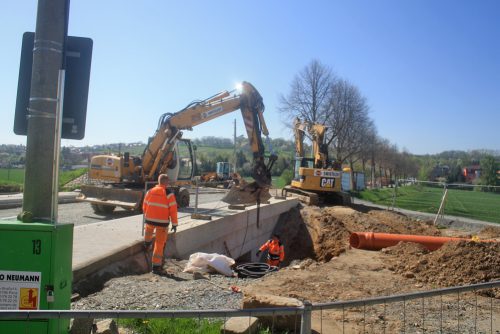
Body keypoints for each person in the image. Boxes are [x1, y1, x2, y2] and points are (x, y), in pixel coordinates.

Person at [143, 174, 178, 275]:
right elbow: (173, 210)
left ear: (158, 181)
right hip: (162, 223)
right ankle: (156, 267)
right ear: (166, 182)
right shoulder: (168, 193)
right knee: (159, 244)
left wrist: (147, 215)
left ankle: (147, 243)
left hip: (149, 220)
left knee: (148, 230)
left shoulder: (150, 191)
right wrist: (174, 224)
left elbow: (144, 205)